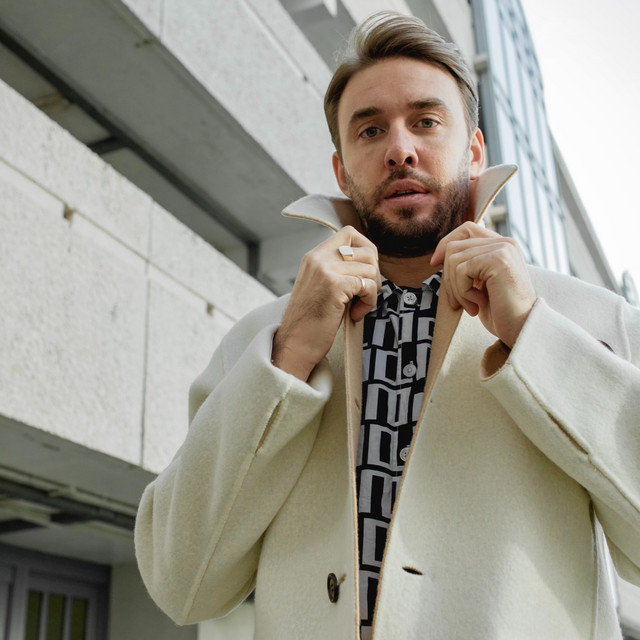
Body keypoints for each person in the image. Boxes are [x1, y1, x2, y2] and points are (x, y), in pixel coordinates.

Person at [135, 11, 640, 639]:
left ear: (473, 150)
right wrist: (289, 357)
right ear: (341, 169)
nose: (399, 149)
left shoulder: (591, 320)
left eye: (426, 121)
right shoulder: (261, 341)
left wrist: (534, 336)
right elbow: (178, 584)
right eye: (370, 130)